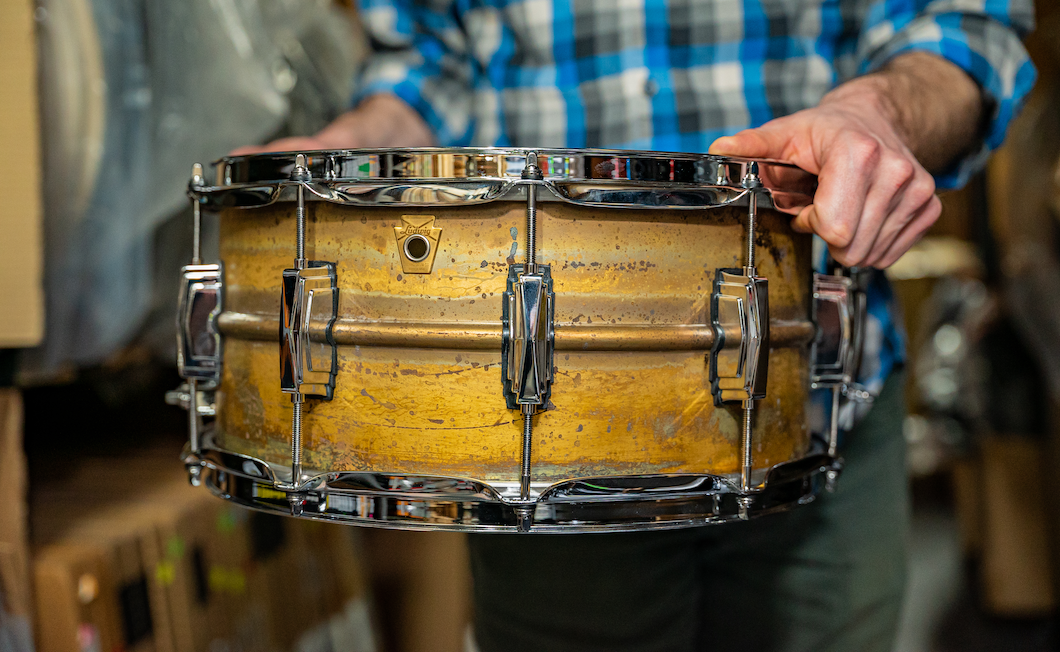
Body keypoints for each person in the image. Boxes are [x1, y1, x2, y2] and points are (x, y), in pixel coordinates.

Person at [240, 0, 1036, 649]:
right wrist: (348, 151)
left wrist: (878, 111)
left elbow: (962, 23)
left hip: (815, 402)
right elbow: (431, 69)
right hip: (535, 434)